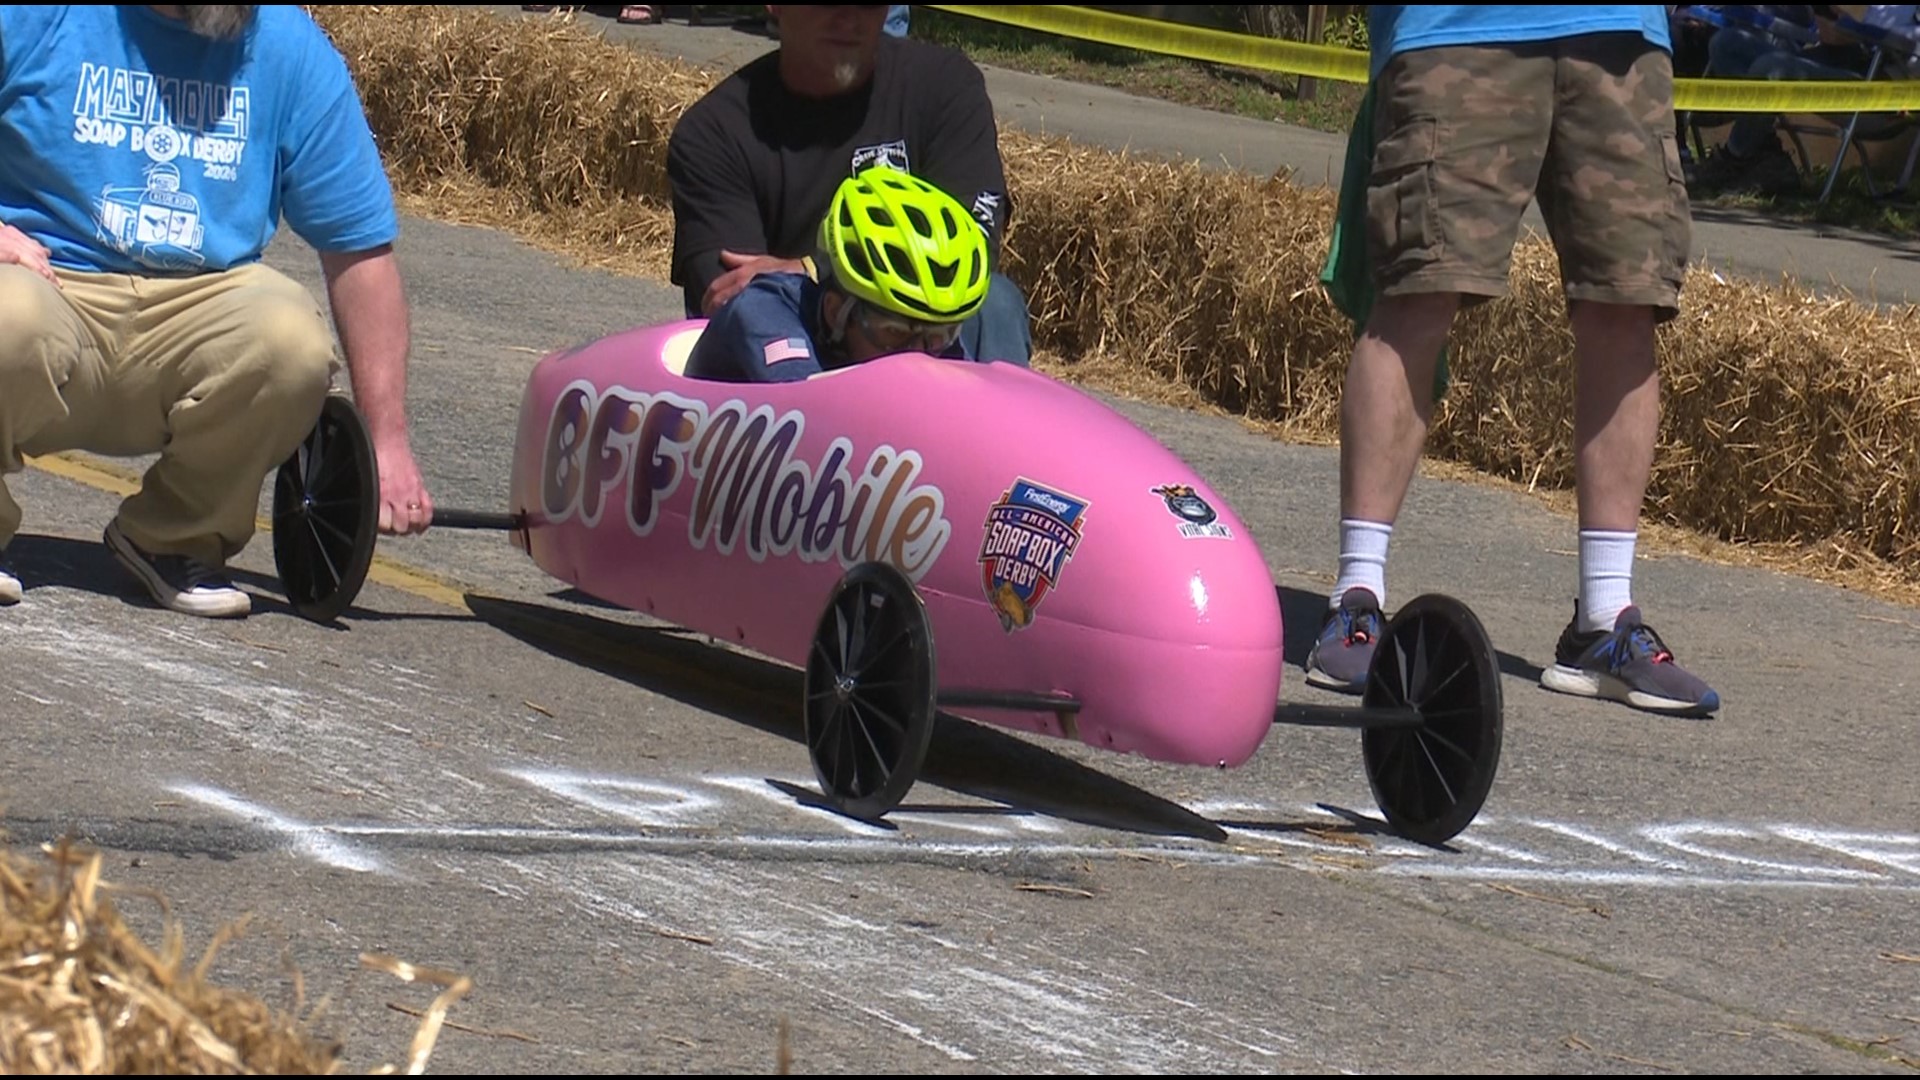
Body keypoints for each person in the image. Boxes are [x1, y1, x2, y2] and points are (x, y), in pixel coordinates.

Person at [1305, 6, 1722, 718]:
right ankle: (1356, 599)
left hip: (1620, 35)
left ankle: (1605, 618)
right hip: (1458, 26)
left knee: (1627, 304)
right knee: (1418, 292)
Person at [0, 5, 432, 618]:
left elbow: (358, 246)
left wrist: (386, 441)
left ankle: (172, 536)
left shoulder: (287, 46)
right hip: (47, 285)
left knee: (290, 340)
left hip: (195, 309)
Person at [666, 4, 1032, 369]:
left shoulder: (945, 86)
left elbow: (973, 247)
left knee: (995, 302)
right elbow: (731, 299)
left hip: (931, 335)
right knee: (757, 310)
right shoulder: (713, 133)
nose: (848, 16)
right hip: (795, 351)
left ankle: (1002, 425)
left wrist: (813, 267)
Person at [682, 165, 987, 381]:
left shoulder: (930, 342)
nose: (918, 358)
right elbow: (809, 416)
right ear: (835, 312)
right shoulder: (763, 311)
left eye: (937, 337)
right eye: (894, 332)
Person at [1688, 5, 1919, 194]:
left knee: (1771, 68)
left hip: (1879, 84)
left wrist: (1859, 34)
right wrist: (1834, 28)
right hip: (1844, 56)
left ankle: (1734, 157)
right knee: (1727, 44)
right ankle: (1763, 154)